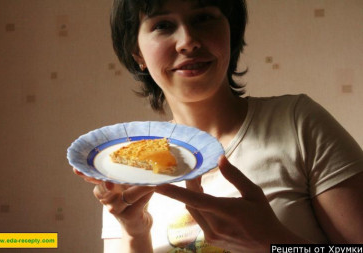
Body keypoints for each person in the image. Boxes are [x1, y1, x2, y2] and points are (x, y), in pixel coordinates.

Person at [73, 0, 363, 252]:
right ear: (137, 53)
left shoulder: (299, 123)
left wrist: (273, 243)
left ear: (230, 31)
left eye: (203, 18)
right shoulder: (126, 173)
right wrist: (135, 233)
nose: (187, 41)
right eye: (162, 25)